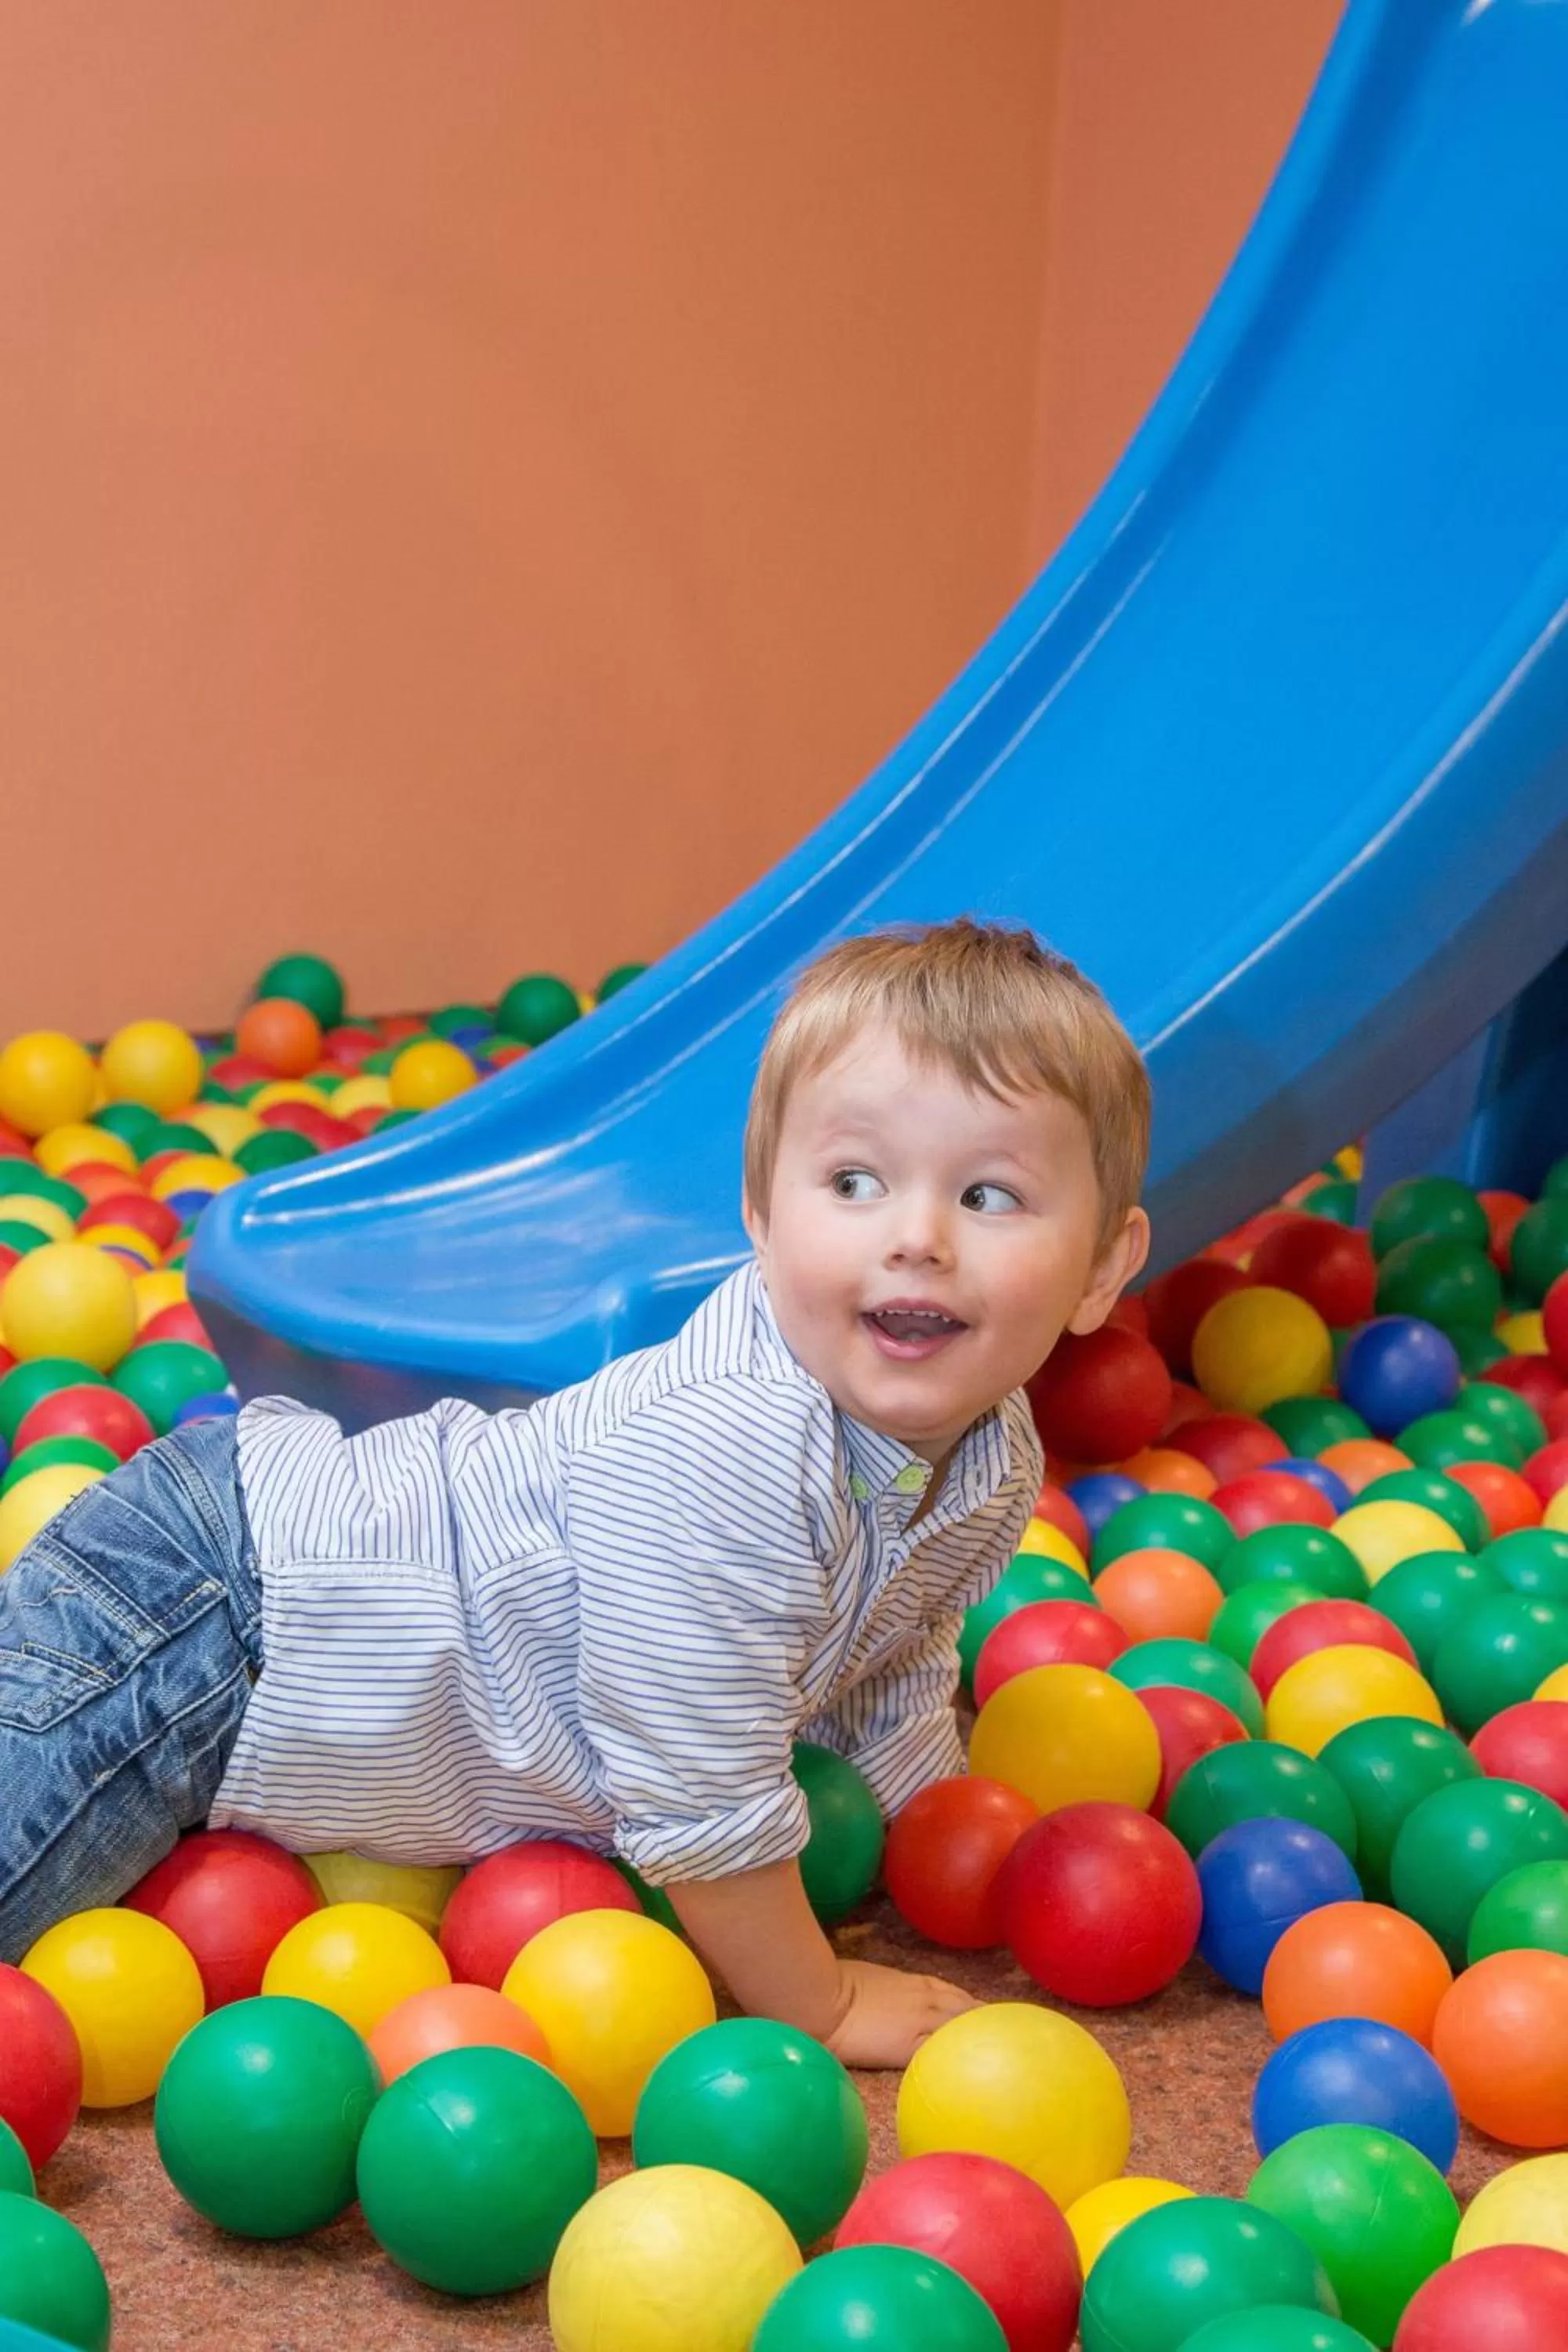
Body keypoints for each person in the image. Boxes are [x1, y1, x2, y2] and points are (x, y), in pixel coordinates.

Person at [0, 916, 1149, 2065]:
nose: (917, 1238)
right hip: (221, 1612)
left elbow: (896, 1653)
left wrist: (920, 1830)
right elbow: (697, 1791)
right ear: (759, 1218)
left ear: (1103, 1265)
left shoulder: (992, 1453)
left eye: (990, 1197)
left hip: (266, 1627)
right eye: (855, 1181)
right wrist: (819, 2000)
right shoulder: (729, 1453)